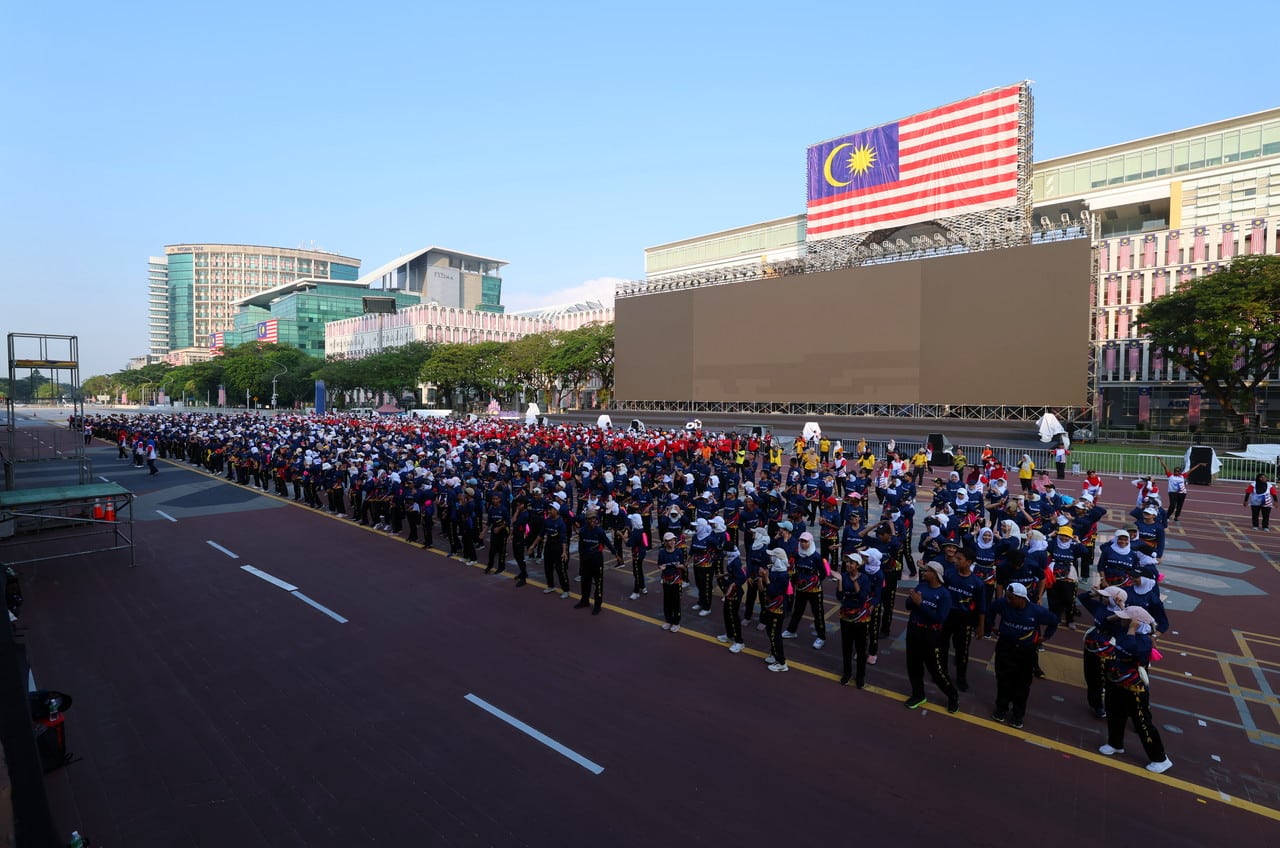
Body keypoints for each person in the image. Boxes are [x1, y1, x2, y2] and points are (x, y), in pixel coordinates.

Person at [1097, 605, 1174, 774]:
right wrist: (1114, 618)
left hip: (1135, 688)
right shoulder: (1124, 632)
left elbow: (1128, 651)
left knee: (1142, 723)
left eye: (1126, 618)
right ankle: (1115, 743)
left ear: (1136, 623)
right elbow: (1101, 624)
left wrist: (1131, 628)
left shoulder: (1144, 641)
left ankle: (1160, 758)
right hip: (1117, 683)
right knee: (1114, 713)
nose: (1122, 620)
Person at [985, 582, 1058, 728]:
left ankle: (1018, 715)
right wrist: (991, 625)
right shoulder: (1003, 604)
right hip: (1005, 647)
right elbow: (991, 609)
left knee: (1022, 684)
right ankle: (1001, 709)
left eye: (1011, 598)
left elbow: (1053, 621)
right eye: (1007, 597)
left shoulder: (1037, 611)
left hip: (1026, 651)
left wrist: (1046, 637)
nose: (1008, 600)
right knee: (1003, 679)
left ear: (1021, 598)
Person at [903, 561, 960, 712]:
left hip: (930, 634)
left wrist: (920, 604)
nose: (923, 572)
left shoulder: (944, 595)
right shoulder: (921, 586)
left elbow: (939, 618)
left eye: (926, 570)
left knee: (936, 669)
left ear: (935, 574)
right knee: (913, 665)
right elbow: (908, 605)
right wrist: (912, 600)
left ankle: (952, 695)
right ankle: (918, 694)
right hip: (913, 629)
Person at [940, 545, 987, 692]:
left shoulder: (977, 583)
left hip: (964, 619)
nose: (955, 560)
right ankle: (942, 673)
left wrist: (981, 626)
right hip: (947, 616)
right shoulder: (949, 575)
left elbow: (981, 607)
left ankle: (961, 678)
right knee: (942, 646)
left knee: (962, 651)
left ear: (969, 562)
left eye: (959, 558)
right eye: (955, 558)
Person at [835, 552, 876, 688]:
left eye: (851, 563)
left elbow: (862, 598)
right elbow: (839, 597)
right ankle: (847, 674)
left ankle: (860, 676)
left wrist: (855, 583)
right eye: (847, 562)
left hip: (860, 619)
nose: (848, 564)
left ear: (857, 565)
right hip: (846, 617)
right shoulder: (844, 576)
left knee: (861, 648)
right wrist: (840, 581)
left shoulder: (864, 579)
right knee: (846, 647)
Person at [783, 531, 829, 649]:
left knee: (817, 613)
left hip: (815, 591)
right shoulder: (798, 555)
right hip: (801, 589)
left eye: (805, 542)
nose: (803, 544)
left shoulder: (816, 557)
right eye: (801, 541)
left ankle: (821, 637)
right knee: (797, 611)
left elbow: (823, 573)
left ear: (810, 542)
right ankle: (791, 631)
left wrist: (814, 582)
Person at [575, 509, 620, 614]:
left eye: (594, 518)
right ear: (587, 520)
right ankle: (584, 600)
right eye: (590, 518)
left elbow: (607, 543)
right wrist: (582, 559)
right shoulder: (583, 531)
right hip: (586, 560)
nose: (592, 520)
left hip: (597, 560)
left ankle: (597, 605)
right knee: (585, 582)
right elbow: (581, 546)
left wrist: (616, 554)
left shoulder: (599, 531)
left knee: (598, 583)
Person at [761, 548, 792, 672]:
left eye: (773, 556)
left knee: (775, 634)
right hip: (770, 607)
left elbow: (773, 591)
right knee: (770, 631)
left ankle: (781, 662)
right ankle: (774, 654)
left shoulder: (783, 575)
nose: (771, 558)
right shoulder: (774, 569)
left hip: (777, 609)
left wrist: (766, 578)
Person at [715, 547, 747, 653]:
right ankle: (729, 635)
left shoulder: (736, 562)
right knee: (726, 613)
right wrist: (723, 575)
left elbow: (742, 577)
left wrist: (734, 584)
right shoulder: (732, 559)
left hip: (735, 593)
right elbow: (732, 573)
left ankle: (739, 641)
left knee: (733, 616)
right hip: (730, 591)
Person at [657, 532, 688, 632]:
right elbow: (659, 564)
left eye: (673, 540)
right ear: (665, 542)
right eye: (669, 540)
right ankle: (668, 620)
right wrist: (661, 567)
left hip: (676, 580)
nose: (672, 542)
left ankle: (676, 622)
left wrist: (681, 566)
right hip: (666, 580)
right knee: (667, 601)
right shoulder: (662, 552)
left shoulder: (679, 551)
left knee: (676, 602)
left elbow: (684, 566)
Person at [1159, 459, 1205, 523]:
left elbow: (1191, 470)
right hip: (1172, 492)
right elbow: (1165, 467)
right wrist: (1161, 460)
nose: (1176, 472)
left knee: (1179, 505)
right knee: (1172, 505)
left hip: (1181, 493)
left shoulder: (1183, 476)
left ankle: (1176, 517)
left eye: (1177, 471)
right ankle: (1167, 516)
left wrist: (1199, 464)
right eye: (1175, 470)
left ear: (1180, 472)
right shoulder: (1170, 475)